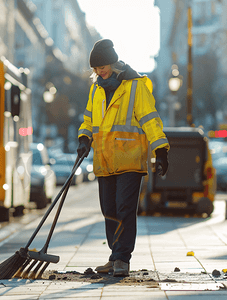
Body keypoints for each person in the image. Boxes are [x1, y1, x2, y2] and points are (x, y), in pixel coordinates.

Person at [76, 39, 169, 277]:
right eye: (95, 69)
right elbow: (88, 119)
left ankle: (122, 259)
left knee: (125, 208)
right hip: (105, 160)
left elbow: (150, 118)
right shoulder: (96, 89)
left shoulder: (135, 86)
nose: (99, 71)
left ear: (112, 61)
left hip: (130, 158)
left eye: (102, 66)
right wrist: (84, 138)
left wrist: (160, 149)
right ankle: (115, 254)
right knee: (109, 209)